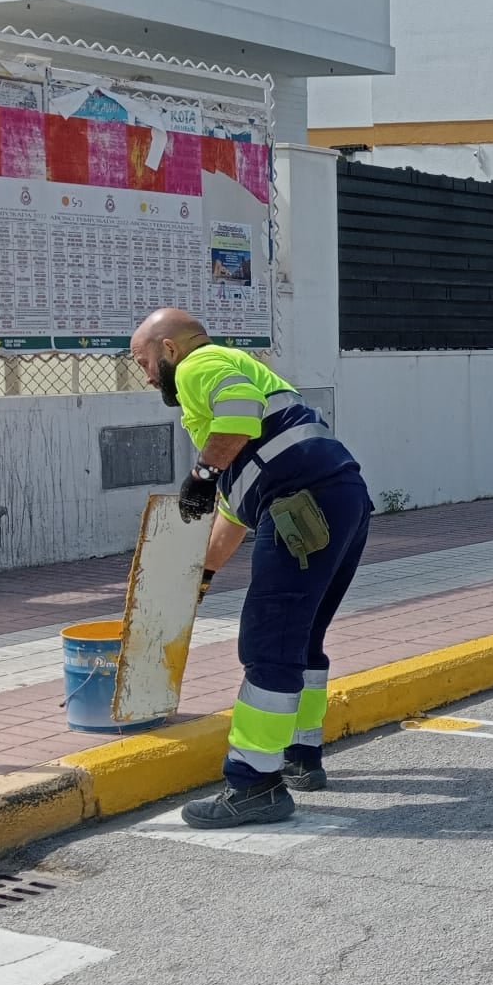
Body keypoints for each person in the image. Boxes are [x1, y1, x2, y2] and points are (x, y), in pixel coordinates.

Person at [131, 309, 372, 828]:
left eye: (143, 361)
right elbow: (235, 515)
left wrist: (200, 475)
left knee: (268, 644)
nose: (146, 376)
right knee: (301, 639)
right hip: (340, 499)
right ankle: (300, 757)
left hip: (300, 504)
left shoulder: (198, 365)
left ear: (169, 349)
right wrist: (199, 577)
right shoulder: (246, 389)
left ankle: (254, 785)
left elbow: (238, 413)